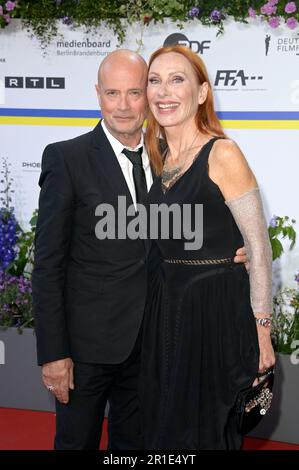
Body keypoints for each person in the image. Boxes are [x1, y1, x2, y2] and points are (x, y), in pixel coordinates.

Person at [32, 49, 248, 450]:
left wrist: (238, 252)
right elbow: (47, 265)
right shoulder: (67, 158)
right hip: (86, 351)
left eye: (135, 92)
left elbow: (198, 227)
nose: (124, 105)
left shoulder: (171, 156)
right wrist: (53, 353)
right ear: (98, 95)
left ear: (149, 97)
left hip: (154, 344)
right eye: (113, 93)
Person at [139, 45, 276, 450]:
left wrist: (262, 333)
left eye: (177, 79)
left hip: (215, 314)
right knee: (163, 432)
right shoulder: (158, 157)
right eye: (155, 80)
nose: (164, 91)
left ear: (201, 93)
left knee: (204, 434)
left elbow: (258, 247)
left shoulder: (223, 153)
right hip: (166, 312)